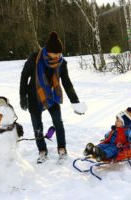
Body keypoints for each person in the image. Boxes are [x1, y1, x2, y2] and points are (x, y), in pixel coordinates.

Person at [19, 31, 87, 164]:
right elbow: (24, 76)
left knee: (58, 122)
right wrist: (22, 95)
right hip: (34, 95)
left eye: (59, 53)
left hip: (51, 96)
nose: (57, 56)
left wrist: (75, 101)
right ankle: (42, 151)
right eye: (54, 53)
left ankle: (62, 149)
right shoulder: (34, 58)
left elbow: (66, 82)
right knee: (37, 126)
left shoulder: (62, 63)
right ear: (48, 51)